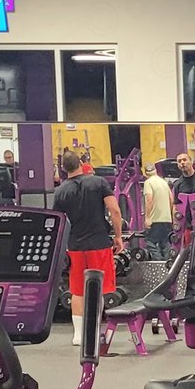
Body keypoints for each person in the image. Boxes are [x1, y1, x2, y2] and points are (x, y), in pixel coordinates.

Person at [51, 147, 124, 343]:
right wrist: (118, 236)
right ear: (81, 164)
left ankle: (78, 335)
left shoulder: (60, 191)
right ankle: (93, 331)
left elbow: (58, 221)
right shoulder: (98, 182)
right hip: (99, 244)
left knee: (77, 290)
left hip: (74, 246)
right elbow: (115, 210)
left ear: (63, 169)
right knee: (98, 288)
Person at [143, 159, 175, 256]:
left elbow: (149, 200)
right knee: (165, 245)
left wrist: (147, 218)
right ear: (156, 171)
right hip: (167, 220)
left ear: (146, 173)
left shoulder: (148, 182)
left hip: (155, 220)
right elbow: (171, 200)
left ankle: (157, 263)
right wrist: (170, 216)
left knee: (151, 243)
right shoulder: (164, 182)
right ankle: (167, 264)